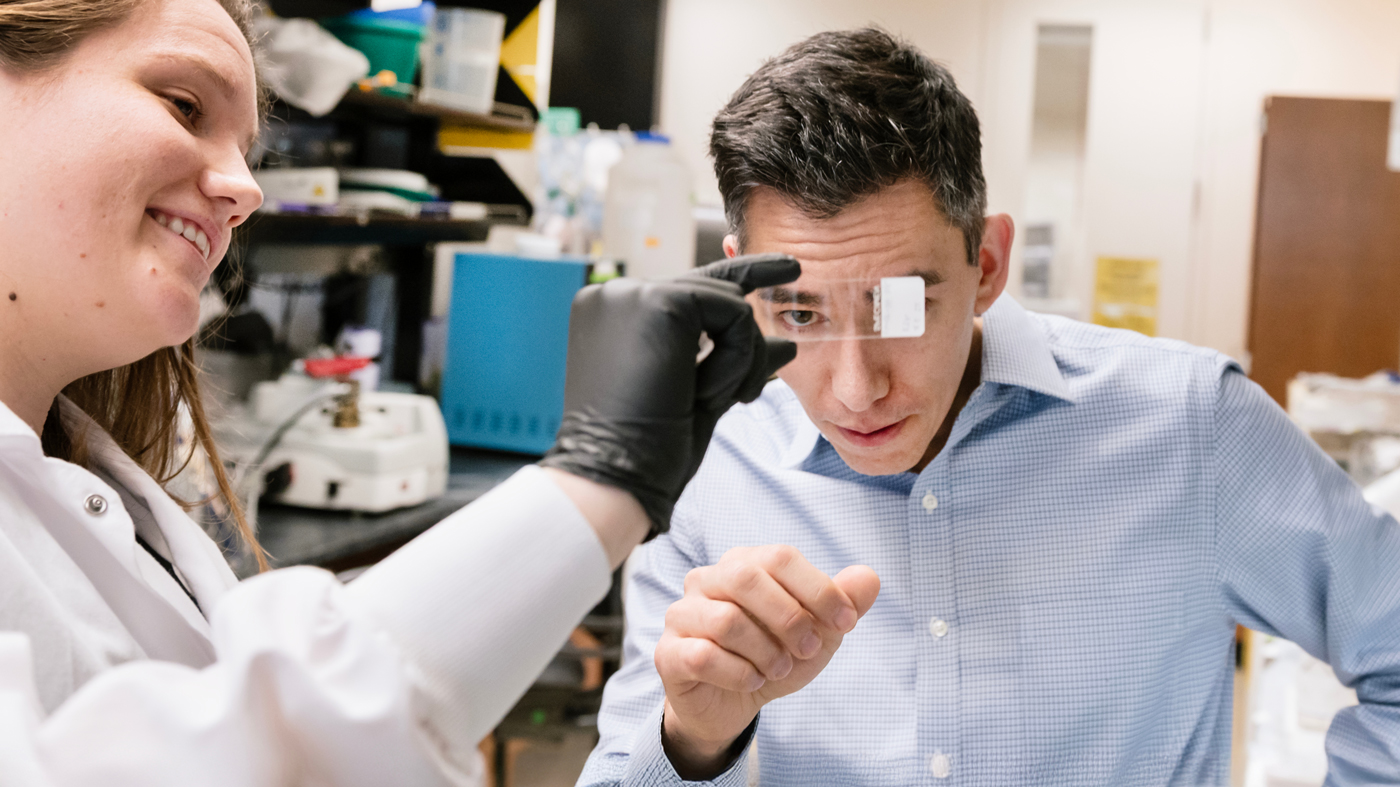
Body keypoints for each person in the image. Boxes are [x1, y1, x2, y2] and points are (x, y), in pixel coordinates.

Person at [0, 1, 881, 784]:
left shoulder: (114, 496)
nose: (246, 189)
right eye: (184, 104)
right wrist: (595, 484)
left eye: (248, 149)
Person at [578, 28, 1400, 787]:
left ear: (990, 261)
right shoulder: (708, 465)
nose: (857, 387)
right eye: (801, 314)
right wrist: (691, 737)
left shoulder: (1191, 427)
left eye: (902, 308)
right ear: (739, 281)